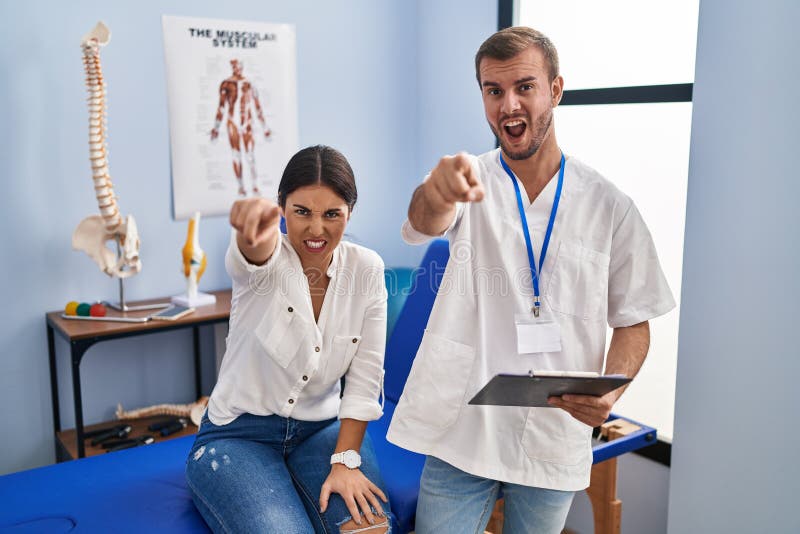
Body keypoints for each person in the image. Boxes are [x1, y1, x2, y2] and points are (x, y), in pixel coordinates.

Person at [386, 26, 675, 533]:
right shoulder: (466, 181)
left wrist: (611, 395)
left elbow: (635, 321)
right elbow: (422, 222)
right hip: (463, 431)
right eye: (493, 91)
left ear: (556, 90)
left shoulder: (610, 205)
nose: (508, 105)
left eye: (524, 86)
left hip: (552, 438)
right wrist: (437, 189)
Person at [186, 145, 393, 534]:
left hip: (323, 431)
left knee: (367, 530)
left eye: (332, 214)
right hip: (238, 435)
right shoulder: (264, 264)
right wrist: (253, 233)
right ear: (282, 207)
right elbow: (250, 255)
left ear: (351, 212)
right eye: (302, 212)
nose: (317, 229)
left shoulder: (367, 269)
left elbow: (365, 382)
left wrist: (346, 459)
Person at [210, 58, 272, 197]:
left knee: (250, 155)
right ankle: (240, 187)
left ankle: (255, 186)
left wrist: (265, 127)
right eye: (233, 66)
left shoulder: (249, 84)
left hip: (247, 123)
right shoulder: (226, 84)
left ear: (242, 67)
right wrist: (216, 128)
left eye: (238, 66)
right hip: (232, 123)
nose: (236, 68)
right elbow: (221, 107)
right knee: (236, 156)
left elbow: (257, 106)